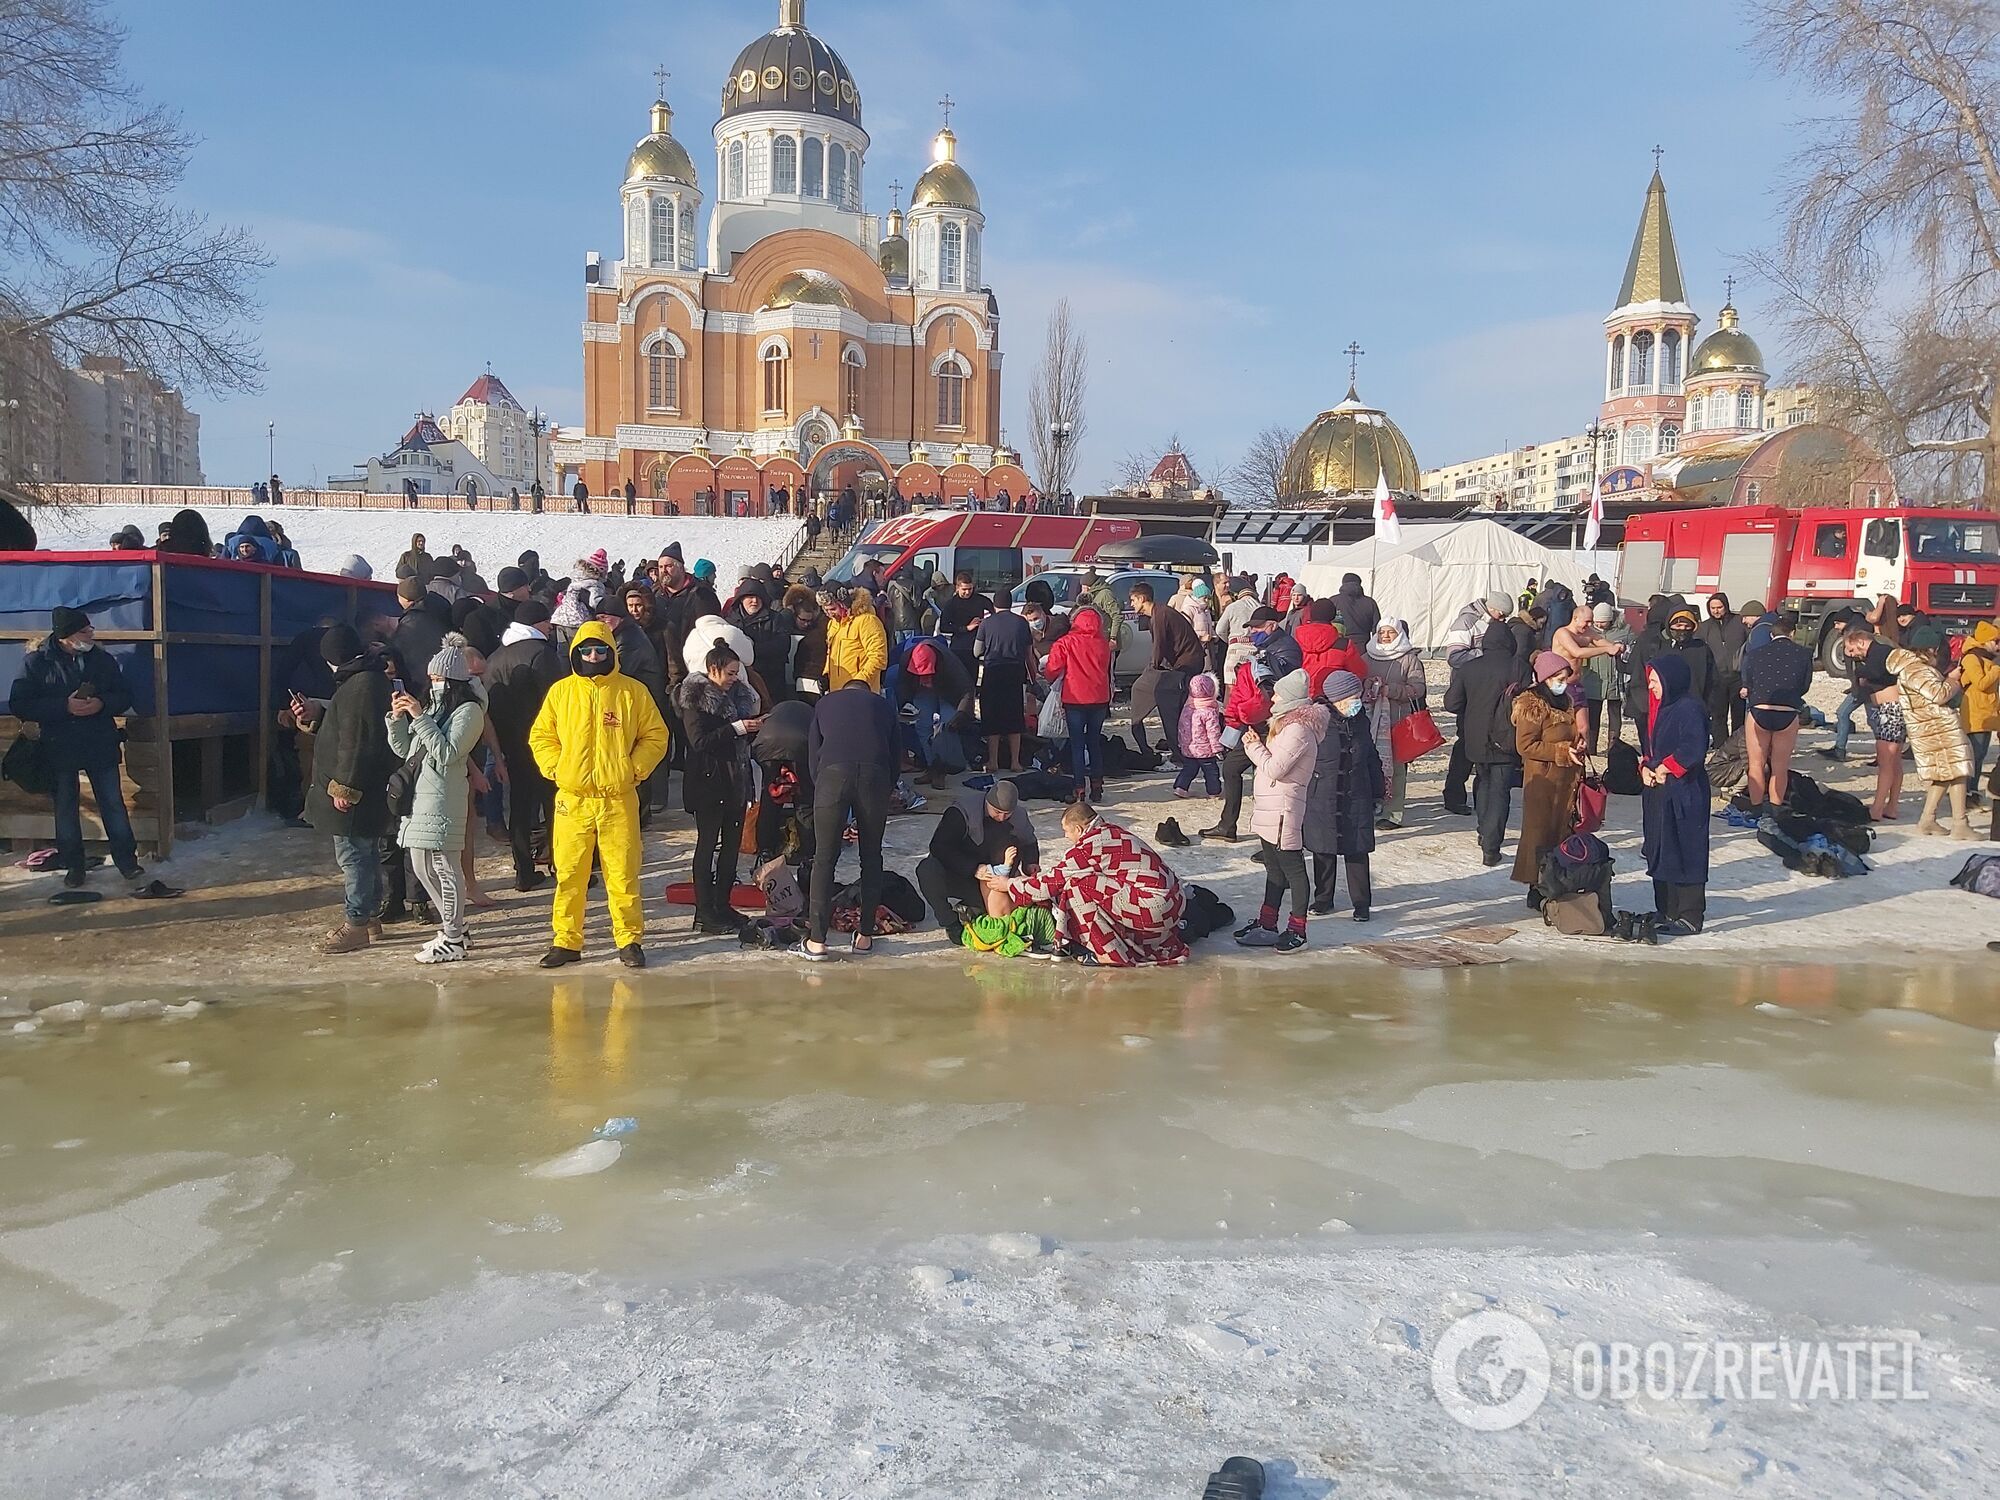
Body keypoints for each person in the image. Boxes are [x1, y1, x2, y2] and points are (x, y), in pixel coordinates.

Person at [529, 620, 669, 968]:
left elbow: (656, 736)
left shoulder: (631, 692)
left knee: (622, 873)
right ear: (576, 653)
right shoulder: (561, 693)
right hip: (572, 799)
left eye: (601, 650)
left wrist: (633, 769)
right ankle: (566, 941)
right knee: (569, 873)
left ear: (611, 652)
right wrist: (556, 768)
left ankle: (629, 940)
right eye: (587, 650)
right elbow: (541, 737)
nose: (594, 656)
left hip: (617, 798)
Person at [7, 606, 169, 896]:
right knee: (66, 810)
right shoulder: (36, 663)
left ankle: (127, 862)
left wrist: (102, 704)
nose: (91, 634)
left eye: (90, 629)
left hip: (99, 742)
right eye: (84, 631)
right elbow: (20, 703)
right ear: (66, 636)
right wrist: (63, 706)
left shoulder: (101, 660)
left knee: (113, 805)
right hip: (59, 746)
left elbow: (123, 694)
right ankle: (74, 866)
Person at [385, 639, 486, 964]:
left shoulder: (469, 712)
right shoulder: (431, 709)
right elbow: (405, 750)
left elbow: (448, 753)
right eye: (431, 678)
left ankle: (454, 937)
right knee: (420, 865)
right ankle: (453, 927)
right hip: (419, 798)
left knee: (444, 865)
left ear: (454, 680)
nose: (433, 684)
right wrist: (397, 718)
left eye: (439, 678)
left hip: (444, 798)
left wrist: (419, 717)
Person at [992, 801, 1187, 967]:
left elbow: (1051, 883)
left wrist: (1010, 884)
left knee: (1077, 885)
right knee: (1090, 884)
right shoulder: (1112, 831)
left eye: (1066, 831)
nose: (1066, 837)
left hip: (1156, 908)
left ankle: (1108, 953)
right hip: (1174, 903)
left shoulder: (1089, 846)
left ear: (1078, 829)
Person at [299, 623, 396, 952]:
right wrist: (317, 713)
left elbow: (357, 741)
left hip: (355, 792)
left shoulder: (360, 685)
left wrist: (345, 786)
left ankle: (356, 923)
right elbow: (349, 728)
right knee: (365, 854)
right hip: (366, 790)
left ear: (331, 659)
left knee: (354, 857)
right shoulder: (365, 679)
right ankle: (369, 920)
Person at [804, 674, 899, 959]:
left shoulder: (824, 703)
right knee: (871, 857)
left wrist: (821, 786)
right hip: (875, 776)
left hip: (832, 776)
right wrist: (884, 788)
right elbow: (895, 756)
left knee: (824, 857)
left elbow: (812, 754)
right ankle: (865, 936)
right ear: (868, 691)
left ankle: (817, 941)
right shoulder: (884, 706)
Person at [1235, 669, 1326, 952]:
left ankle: (1298, 929)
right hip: (1270, 807)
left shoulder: (1298, 730)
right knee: (1274, 868)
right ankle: (1267, 922)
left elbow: (1275, 768)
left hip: (1284, 808)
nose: (1272, 698)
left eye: (1277, 694)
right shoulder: (1285, 726)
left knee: (1293, 870)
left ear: (1290, 699)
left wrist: (1253, 748)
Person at [678, 642, 763, 935]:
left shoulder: (738, 698)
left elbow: (739, 743)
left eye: (736, 673)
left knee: (731, 848)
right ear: (712, 670)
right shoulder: (695, 699)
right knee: (707, 845)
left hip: (735, 783)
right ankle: (705, 911)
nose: (734, 678)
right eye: (729, 673)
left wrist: (751, 730)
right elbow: (699, 742)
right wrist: (737, 729)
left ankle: (723, 904)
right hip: (709, 785)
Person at [1203, 607, 1301, 842]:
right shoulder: (1268, 647)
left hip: (1273, 721)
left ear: (1272, 625)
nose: (1253, 632)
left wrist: (1258, 666)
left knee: (1268, 778)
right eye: (1251, 628)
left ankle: (1271, 838)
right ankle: (1229, 826)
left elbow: (1283, 682)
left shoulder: (1287, 647)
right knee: (1232, 768)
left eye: (1257, 627)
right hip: (1255, 720)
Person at [484, 600, 561, 890]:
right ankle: (559, 863)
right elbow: (557, 701)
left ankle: (523, 870)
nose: (550, 627)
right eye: (546, 622)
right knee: (553, 804)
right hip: (545, 743)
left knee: (519, 805)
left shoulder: (494, 658)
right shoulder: (542, 654)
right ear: (537, 625)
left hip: (511, 745)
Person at [1639, 654, 1711, 936]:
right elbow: (1649, 747)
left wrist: (1667, 767)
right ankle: (1666, 909)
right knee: (1660, 846)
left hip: (1685, 792)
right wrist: (1646, 767)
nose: (1652, 688)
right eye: (1650, 682)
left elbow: (1693, 748)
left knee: (1686, 848)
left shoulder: (1690, 708)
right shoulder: (1659, 708)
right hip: (1658, 792)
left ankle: (1690, 914)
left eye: (1655, 682)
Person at [917, 780, 1041, 943]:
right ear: (987, 802)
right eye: (997, 812)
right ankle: (950, 922)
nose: (1002, 817)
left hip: (992, 880)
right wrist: (973, 868)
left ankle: (972, 909)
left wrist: (1030, 863)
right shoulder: (962, 811)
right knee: (927, 870)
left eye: (1007, 814)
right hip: (958, 871)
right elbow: (939, 847)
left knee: (999, 913)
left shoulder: (1019, 815)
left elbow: (1029, 842)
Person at [1305, 668, 1385, 918]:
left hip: (1356, 793)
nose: (1356, 702)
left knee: (1357, 850)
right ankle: (1323, 899)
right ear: (1335, 699)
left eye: (1357, 697)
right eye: (1352, 697)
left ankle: (1361, 904)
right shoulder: (1317, 722)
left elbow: (1371, 756)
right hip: (1323, 794)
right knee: (1323, 850)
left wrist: (1378, 790)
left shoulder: (1361, 719)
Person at [1444, 620, 1525, 866]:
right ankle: (1491, 845)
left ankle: (1483, 829)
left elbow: (1451, 703)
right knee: (1500, 789)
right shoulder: (1518, 666)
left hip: (1475, 737)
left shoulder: (1470, 667)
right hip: (1507, 737)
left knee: (1483, 781)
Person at [1511, 650, 1584, 906]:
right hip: (1542, 780)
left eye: (1565, 677)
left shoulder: (1565, 701)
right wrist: (1561, 751)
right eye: (1557, 677)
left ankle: (1555, 882)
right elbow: (1526, 746)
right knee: (1539, 834)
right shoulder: (1531, 704)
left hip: (1565, 781)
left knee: (1560, 832)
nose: (1562, 682)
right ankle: (1536, 887)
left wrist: (1578, 744)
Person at [1887, 639, 1979, 837]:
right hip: (1938, 728)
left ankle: (1928, 819)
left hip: (1930, 729)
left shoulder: (1911, 669)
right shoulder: (1918, 669)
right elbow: (1937, 694)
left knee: (1943, 775)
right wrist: (1953, 680)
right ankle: (1960, 824)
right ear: (1930, 650)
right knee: (1958, 771)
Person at [1440, 592, 1516, 811]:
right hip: (1469, 690)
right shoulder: (1465, 622)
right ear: (1492, 609)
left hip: (1489, 688)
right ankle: (1454, 795)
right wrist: (1485, 656)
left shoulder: (1489, 622)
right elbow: (1454, 657)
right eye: (1501, 615)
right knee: (1465, 744)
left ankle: (1485, 797)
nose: (1502, 620)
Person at [1736, 608, 1813, 810]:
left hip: (1760, 709)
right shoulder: (1804, 654)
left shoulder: (1756, 653)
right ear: (1793, 633)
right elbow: (1804, 685)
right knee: (1780, 768)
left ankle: (1755, 808)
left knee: (1756, 764)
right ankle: (1776, 809)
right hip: (1787, 712)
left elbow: (1748, 681)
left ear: (1771, 634)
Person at [1042, 599, 1113, 801]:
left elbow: (1053, 669)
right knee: (1094, 742)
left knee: (1077, 744)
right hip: (1099, 698)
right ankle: (1097, 787)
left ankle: (1079, 787)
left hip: (1075, 697)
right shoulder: (1103, 643)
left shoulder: (1066, 642)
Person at [1362, 619, 1425, 829]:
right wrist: (1368, 687)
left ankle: (1393, 813)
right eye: (1382, 632)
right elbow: (1357, 680)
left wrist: (1392, 691)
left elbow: (1418, 688)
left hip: (1397, 721)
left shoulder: (1409, 660)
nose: (1385, 636)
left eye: (1390, 632)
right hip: (1369, 720)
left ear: (1399, 634)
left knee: (1396, 769)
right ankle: (1372, 803)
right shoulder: (1367, 656)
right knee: (1369, 765)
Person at [1129, 581, 1202, 759]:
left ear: (1141, 598)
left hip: (1186, 664)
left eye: (1132, 600)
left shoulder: (1160, 615)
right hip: (1186, 663)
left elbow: (1159, 646)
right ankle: (1179, 747)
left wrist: (1153, 667)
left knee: (1168, 702)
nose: (1131, 604)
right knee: (1173, 704)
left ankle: (1178, 753)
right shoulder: (1160, 613)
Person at [1842, 625, 1906, 821]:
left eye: (1852, 650)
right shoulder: (1879, 652)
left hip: (1891, 709)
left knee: (1886, 759)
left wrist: (1860, 673)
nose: (1853, 656)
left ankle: (1877, 808)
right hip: (1889, 710)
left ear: (1861, 641)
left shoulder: (1879, 652)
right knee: (1893, 762)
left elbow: (1876, 671)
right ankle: (1891, 806)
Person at [896, 639, 976, 787]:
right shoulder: (905, 658)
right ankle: (932, 767)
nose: (924, 678)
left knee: (947, 725)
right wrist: (905, 705)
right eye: (920, 674)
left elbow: (967, 690)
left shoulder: (950, 664)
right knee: (922, 726)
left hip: (949, 692)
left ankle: (945, 768)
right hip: (921, 692)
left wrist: (961, 714)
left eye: (927, 674)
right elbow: (903, 684)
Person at [974, 600, 1034, 772]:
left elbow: (976, 651)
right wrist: (1034, 678)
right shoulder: (1022, 622)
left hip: (993, 672)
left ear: (995, 605)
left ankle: (993, 761)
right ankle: (1015, 762)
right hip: (1015, 672)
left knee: (992, 717)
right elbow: (1028, 654)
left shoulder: (986, 622)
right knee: (1014, 716)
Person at [1567, 603, 1632, 754]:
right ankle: (1590, 749)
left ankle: (1613, 748)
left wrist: (1616, 647)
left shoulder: (1623, 632)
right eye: (1592, 621)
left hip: (1613, 681)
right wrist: (1607, 649)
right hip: (1590, 683)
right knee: (1590, 718)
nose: (1595, 624)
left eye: (1601, 621)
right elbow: (1577, 652)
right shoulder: (1574, 633)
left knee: (1614, 716)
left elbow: (1611, 644)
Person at [1698, 592, 1749, 749]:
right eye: (1713, 608)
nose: (1716, 611)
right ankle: (1721, 745)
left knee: (1738, 714)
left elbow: (1750, 646)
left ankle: (1737, 744)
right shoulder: (1704, 627)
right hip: (1716, 678)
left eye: (1719, 607)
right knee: (1718, 714)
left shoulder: (1739, 623)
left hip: (1737, 676)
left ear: (1725, 606)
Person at [1959, 621, 1999, 802]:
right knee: (1974, 755)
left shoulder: (1987, 658)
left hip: (1987, 712)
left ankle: (1972, 791)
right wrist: (1997, 668)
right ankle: (1967, 793)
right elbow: (1981, 683)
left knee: (1981, 755)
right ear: (1985, 641)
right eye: (1996, 641)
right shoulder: (1972, 658)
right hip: (1975, 712)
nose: (1998, 645)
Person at [825, 586, 889, 691]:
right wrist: (826, 673)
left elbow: (878, 658)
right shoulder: (833, 624)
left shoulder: (867, 621)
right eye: (826, 610)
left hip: (861, 692)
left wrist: (859, 683)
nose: (830, 614)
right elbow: (830, 653)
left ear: (843, 605)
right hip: (837, 691)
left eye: (833, 609)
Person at [1174, 672, 1224, 797]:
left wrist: (1181, 743)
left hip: (1189, 748)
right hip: (1205, 749)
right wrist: (1218, 749)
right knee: (1211, 771)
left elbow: (1182, 727)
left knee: (1189, 768)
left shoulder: (1188, 707)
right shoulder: (1209, 711)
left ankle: (1181, 787)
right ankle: (1214, 791)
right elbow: (1213, 732)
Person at [937, 571, 992, 678]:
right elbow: (943, 627)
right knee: (959, 678)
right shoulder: (951, 604)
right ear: (957, 588)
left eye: (970, 589)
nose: (967, 592)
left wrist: (985, 623)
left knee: (973, 678)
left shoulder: (981, 600)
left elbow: (994, 616)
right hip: (959, 647)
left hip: (977, 646)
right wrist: (966, 628)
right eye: (964, 590)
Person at [1333, 572, 1381, 642]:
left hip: (1340, 643)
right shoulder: (1370, 602)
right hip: (1363, 644)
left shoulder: (1334, 601)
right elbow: (1377, 627)